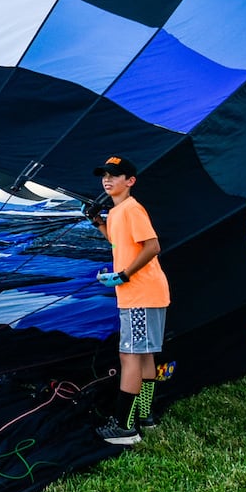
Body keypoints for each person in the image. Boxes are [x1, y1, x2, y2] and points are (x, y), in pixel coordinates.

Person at [89, 155, 170, 446]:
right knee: (145, 354)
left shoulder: (132, 209)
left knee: (130, 356)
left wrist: (124, 275)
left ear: (130, 181)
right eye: (104, 175)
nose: (107, 180)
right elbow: (119, 243)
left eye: (115, 175)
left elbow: (152, 246)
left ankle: (125, 428)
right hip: (145, 293)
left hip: (140, 293)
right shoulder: (118, 212)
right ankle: (146, 417)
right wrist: (98, 222)